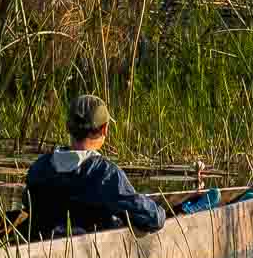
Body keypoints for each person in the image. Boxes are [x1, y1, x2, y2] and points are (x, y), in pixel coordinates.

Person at [24, 95, 166, 238]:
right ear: (104, 129)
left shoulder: (40, 166)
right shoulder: (105, 173)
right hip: (87, 252)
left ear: (68, 127)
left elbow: (27, 202)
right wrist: (160, 213)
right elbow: (151, 219)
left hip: (41, 244)